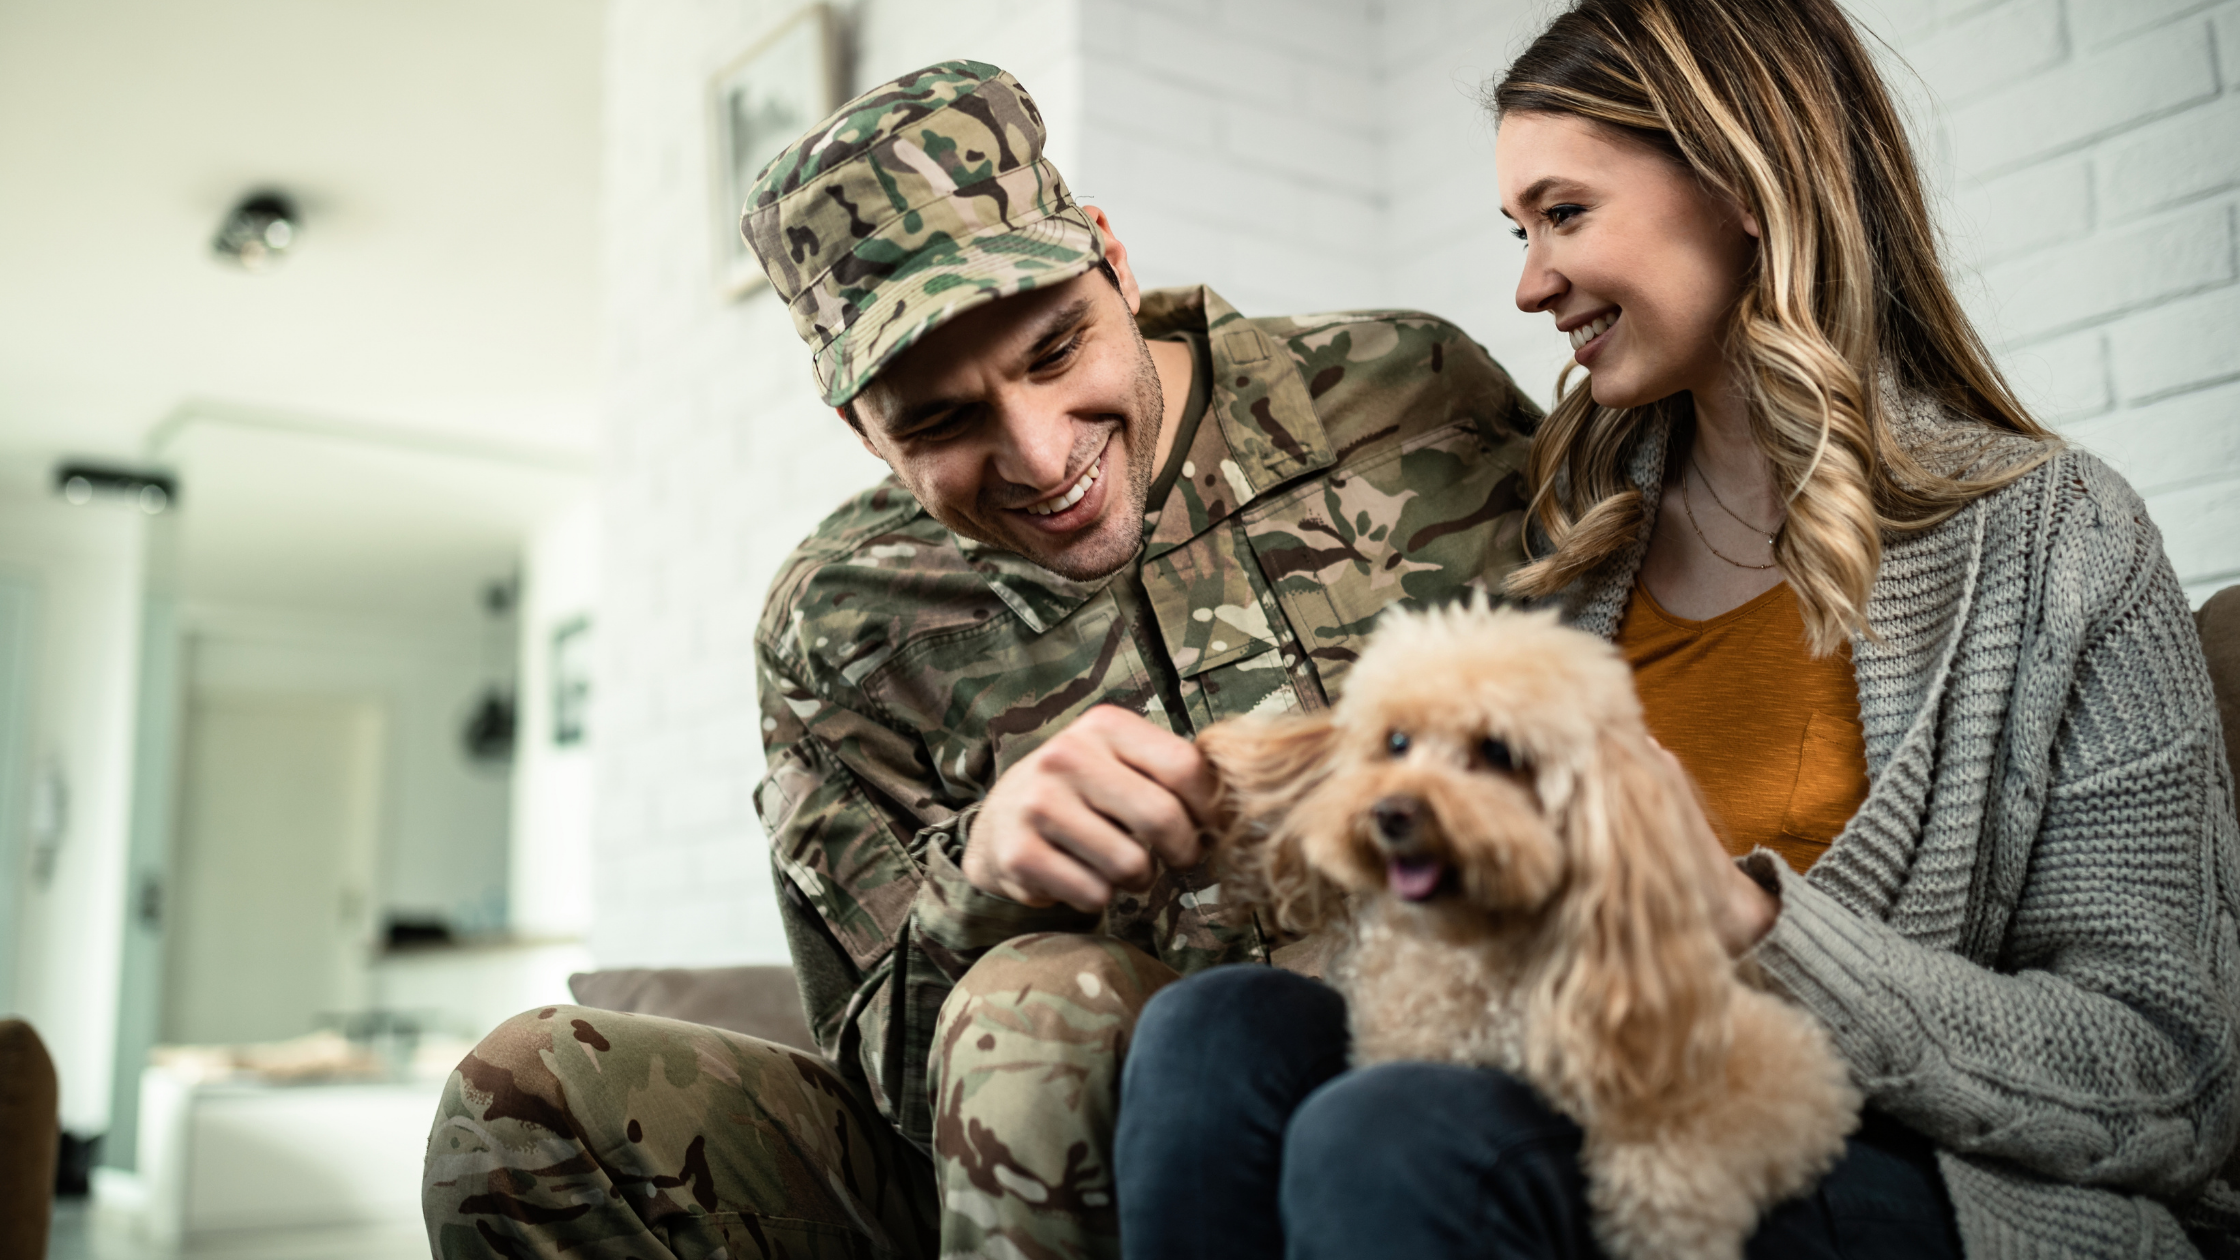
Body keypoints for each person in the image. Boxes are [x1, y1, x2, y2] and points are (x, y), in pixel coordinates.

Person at [1114, 1, 2240, 1257]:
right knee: (1212, 1035)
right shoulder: (1572, 541)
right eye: (1517, 229)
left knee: (1399, 1132)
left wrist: (1750, 924)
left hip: (1920, 1178)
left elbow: (2170, 1080)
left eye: (1564, 214)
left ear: (1742, 182)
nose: (1528, 282)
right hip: (1571, 1092)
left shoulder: (2057, 544)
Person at [420, 61, 1541, 1260]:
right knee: (522, 1094)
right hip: (1051, 1151)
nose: (1039, 456)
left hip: (1448, 1057)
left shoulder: (1408, 396)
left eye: (1056, 351)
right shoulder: (840, 624)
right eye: (941, 422)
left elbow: (1623, 716)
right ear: (857, 425)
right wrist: (984, 882)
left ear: (1111, 257)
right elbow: (895, 1086)